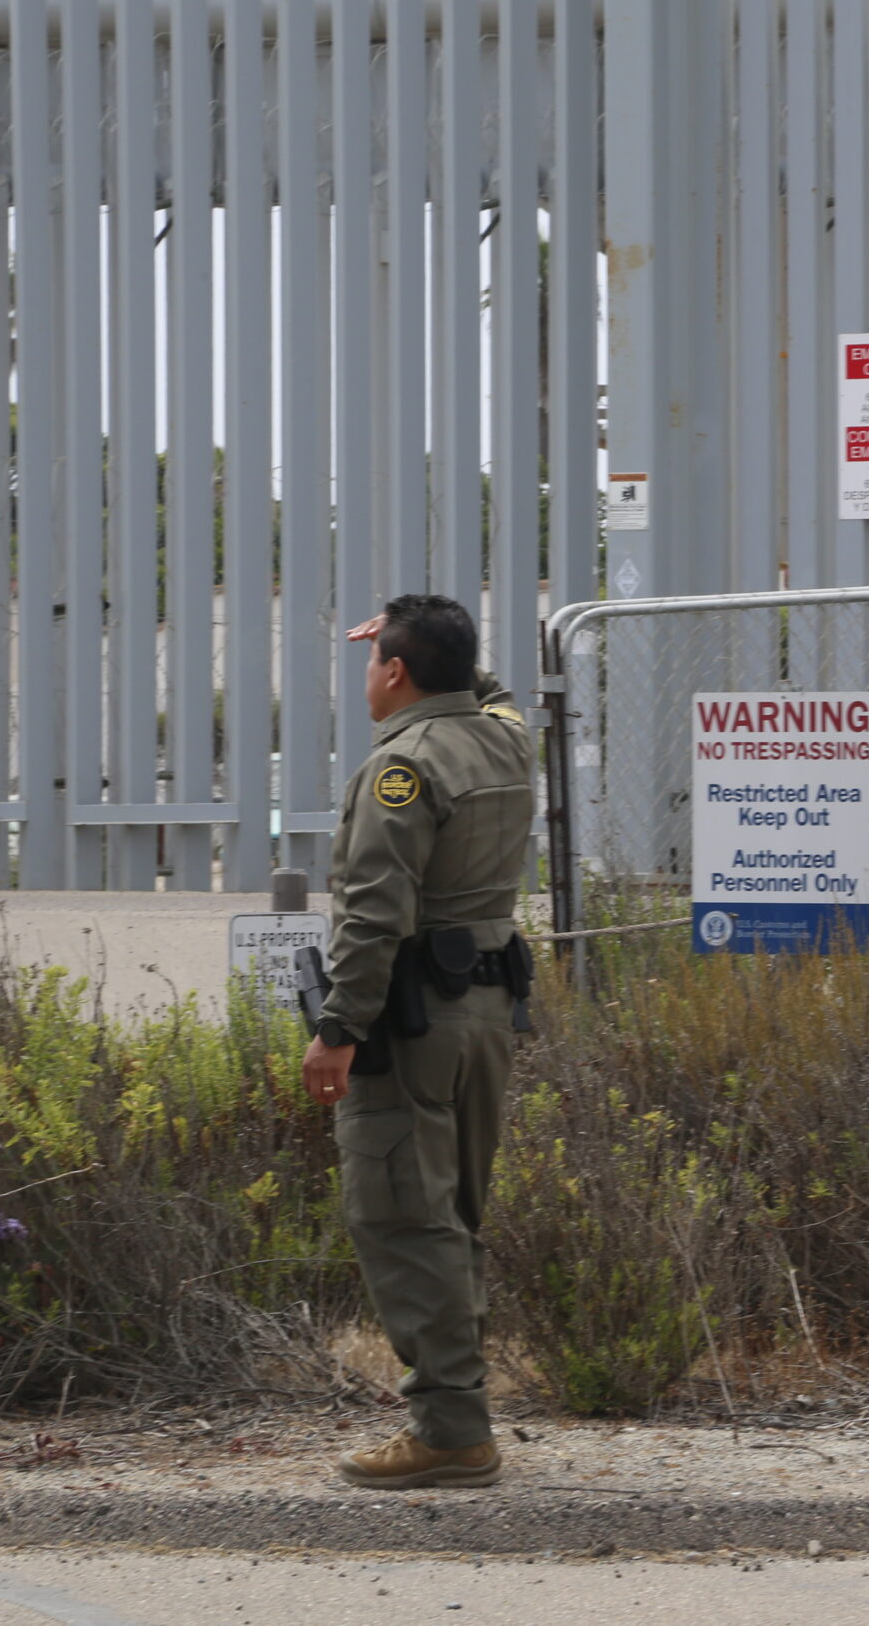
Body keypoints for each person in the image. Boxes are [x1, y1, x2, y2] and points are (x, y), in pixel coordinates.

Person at [304, 594, 539, 1490]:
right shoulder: (505, 739)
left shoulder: (402, 765)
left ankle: (450, 1431)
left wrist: (338, 1028)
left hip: (412, 1027)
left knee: (404, 1216)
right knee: (454, 1216)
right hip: (486, 1016)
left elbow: (373, 914)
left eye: (376, 660)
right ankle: (456, 1415)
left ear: (395, 671)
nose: (367, 675)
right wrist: (436, 639)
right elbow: (493, 690)